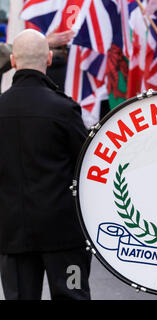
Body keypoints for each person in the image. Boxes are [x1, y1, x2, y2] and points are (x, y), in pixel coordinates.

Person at [0, 29, 91, 300]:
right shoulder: (64, 109)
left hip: (11, 233)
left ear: (13, 61)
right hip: (63, 233)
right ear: (49, 59)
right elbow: (87, 164)